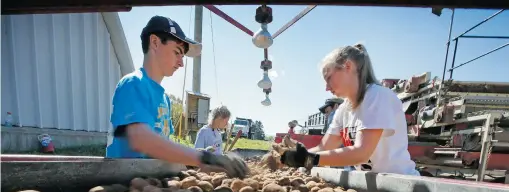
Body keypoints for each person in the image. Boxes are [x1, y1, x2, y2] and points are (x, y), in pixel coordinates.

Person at [105, 15, 248, 178]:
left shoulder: (164, 98)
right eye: (177, 52)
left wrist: (195, 156)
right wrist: (202, 158)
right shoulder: (133, 84)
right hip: (123, 183)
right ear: (155, 42)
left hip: (152, 182)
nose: (181, 63)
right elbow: (141, 139)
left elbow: (163, 146)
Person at [281, 43, 420, 176]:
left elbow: (361, 153)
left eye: (328, 78)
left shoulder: (377, 96)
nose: (326, 88)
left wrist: (311, 159)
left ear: (348, 66)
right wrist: (296, 158)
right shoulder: (343, 110)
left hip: (400, 183)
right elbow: (324, 148)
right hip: (371, 185)